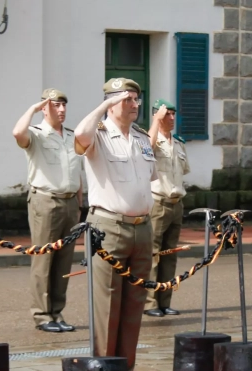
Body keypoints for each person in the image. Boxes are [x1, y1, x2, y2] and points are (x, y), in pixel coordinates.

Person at [73, 77, 157, 370]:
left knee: (135, 304)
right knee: (107, 306)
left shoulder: (142, 137)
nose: (135, 105)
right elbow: (81, 136)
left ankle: (126, 366)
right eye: (128, 99)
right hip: (108, 228)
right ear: (111, 103)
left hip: (142, 228)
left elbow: (150, 180)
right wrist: (106, 104)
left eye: (137, 99)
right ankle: (105, 366)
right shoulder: (97, 134)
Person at [12, 88, 83, 333]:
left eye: (63, 105)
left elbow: (76, 173)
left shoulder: (71, 136)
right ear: (44, 108)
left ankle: (57, 312)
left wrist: (80, 204)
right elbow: (17, 133)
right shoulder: (36, 134)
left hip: (70, 202)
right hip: (46, 201)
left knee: (63, 262)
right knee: (44, 260)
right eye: (55, 105)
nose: (61, 110)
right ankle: (42, 315)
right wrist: (32, 108)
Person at [143, 99, 190, 317]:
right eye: (167, 114)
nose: (172, 118)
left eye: (173, 114)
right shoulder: (149, 139)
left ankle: (165, 300)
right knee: (153, 255)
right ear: (158, 116)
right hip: (157, 203)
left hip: (176, 203)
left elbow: (184, 170)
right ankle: (150, 303)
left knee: (170, 255)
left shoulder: (179, 143)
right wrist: (155, 120)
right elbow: (148, 150)